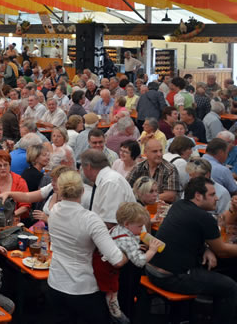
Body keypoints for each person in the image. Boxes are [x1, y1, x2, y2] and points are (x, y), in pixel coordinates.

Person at [147, 177, 237, 321]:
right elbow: (222, 251)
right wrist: (211, 248)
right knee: (230, 287)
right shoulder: (203, 217)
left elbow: (189, 234)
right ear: (198, 196)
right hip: (170, 278)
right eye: (212, 194)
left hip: (151, 270)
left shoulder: (178, 205)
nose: (217, 198)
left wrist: (206, 249)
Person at [46, 171, 127, 324]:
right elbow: (117, 260)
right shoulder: (90, 219)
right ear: (83, 191)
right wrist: (129, 250)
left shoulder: (54, 211)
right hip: (82, 289)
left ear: (60, 191)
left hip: (55, 284)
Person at [79, 149, 135, 227]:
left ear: (88, 167)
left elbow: (110, 223)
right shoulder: (105, 180)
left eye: (82, 167)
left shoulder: (110, 182)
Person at [125, 138, 181, 203]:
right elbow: (126, 187)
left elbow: (170, 196)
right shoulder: (138, 167)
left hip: (162, 207)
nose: (159, 154)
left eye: (161, 151)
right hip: (141, 206)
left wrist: (146, 198)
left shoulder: (170, 169)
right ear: (145, 152)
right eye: (155, 151)